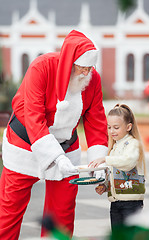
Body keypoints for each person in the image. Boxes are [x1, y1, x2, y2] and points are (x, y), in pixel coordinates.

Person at [0, 29, 108, 239]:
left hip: (67, 145)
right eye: (82, 67)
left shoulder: (93, 80)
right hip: (25, 143)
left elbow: (96, 121)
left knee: (62, 214)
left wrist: (98, 162)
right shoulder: (42, 67)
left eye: (90, 68)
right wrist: (54, 156)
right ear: (69, 62)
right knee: (10, 210)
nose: (86, 73)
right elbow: (33, 116)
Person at [89, 104, 146, 230]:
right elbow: (115, 171)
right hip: (116, 202)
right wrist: (105, 186)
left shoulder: (133, 144)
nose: (111, 131)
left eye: (116, 127)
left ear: (128, 127)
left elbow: (127, 162)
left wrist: (105, 158)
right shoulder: (115, 147)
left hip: (131, 203)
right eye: (109, 127)